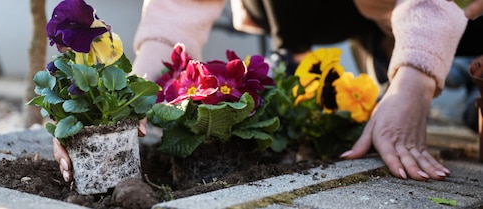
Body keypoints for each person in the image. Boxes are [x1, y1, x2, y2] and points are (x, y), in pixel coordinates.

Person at [55, 0, 483, 184]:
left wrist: (414, 81)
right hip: (335, 9)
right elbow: (177, 9)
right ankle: (299, 57)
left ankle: (461, 74)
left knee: (420, 69)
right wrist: (139, 90)